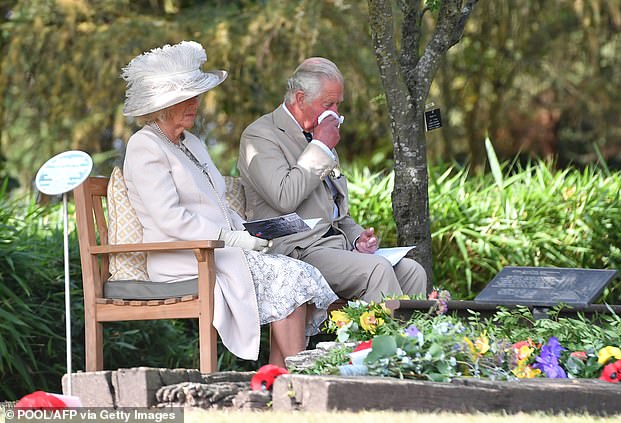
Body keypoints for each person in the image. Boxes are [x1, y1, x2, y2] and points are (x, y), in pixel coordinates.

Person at [120, 41, 338, 368]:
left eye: (196, 95)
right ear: (163, 105)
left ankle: (279, 379)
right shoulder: (144, 146)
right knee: (289, 277)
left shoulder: (189, 142)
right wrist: (232, 238)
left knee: (298, 272)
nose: (196, 103)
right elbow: (171, 219)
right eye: (187, 97)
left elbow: (216, 203)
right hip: (183, 255)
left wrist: (253, 232)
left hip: (218, 248)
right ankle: (293, 379)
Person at [238, 57, 427, 304]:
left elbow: (336, 212)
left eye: (338, 104)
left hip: (333, 247)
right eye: (329, 103)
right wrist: (320, 146)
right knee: (377, 270)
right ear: (300, 98)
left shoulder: (319, 136)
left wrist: (359, 237)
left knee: (413, 272)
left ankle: (412, 341)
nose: (335, 114)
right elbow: (284, 197)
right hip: (295, 250)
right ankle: (379, 343)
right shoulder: (261, 135)